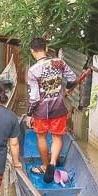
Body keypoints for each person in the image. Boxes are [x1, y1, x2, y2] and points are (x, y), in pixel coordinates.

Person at [25, 37, 77, 183]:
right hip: (59, 108)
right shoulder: (59, 63)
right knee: (57, 137)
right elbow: (72, 78)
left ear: (32, 51)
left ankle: (45, 165)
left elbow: (34, 98)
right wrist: (66, 90)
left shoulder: (33, 71)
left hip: (41, 111)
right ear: (46, 48)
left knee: (41, 137)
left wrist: (29, 114)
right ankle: (53, 163)